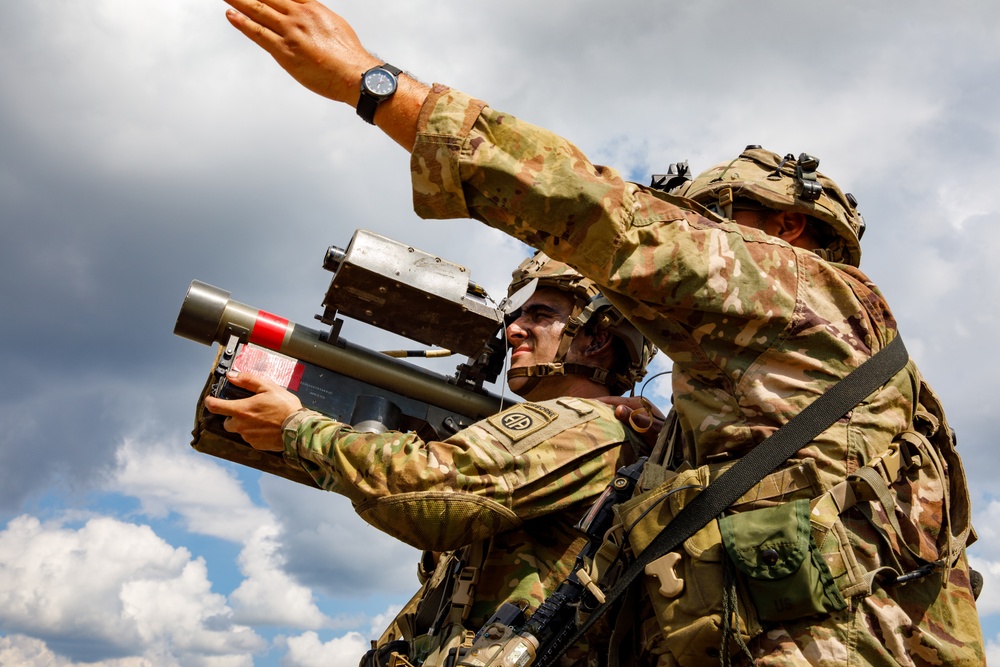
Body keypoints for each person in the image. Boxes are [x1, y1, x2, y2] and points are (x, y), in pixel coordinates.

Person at [215, 2, 985, 665]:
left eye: (714, 224)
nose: (691, 240)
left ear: (787, 228)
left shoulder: (806, 291)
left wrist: (375, 87)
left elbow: (607, 217)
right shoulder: (812, 402)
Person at [205, 253, 658, 666]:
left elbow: (428, 490)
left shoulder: (585, 424)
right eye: (517, 315)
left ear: (597, 337)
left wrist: (297, 429)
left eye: (541, 315)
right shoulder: (600, 429)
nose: (514, 329)